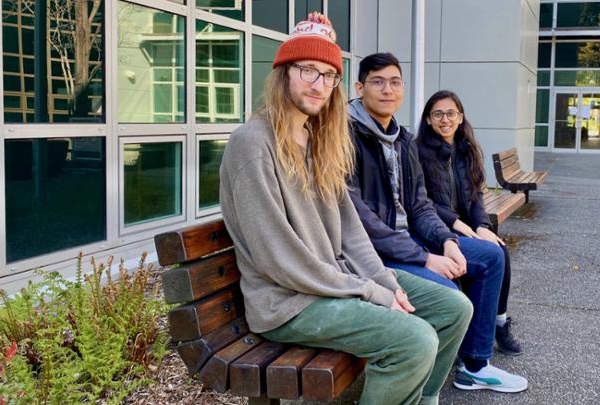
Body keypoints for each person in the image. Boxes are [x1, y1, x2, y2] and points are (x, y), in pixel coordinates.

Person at [219, 14, 472, 405]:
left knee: (454, 308)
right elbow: (279, 259)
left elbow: (352, 235)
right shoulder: (253, 143)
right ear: (284, 72)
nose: (319, 85)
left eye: (329, 75)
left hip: (332, 285)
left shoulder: (318, 140)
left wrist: (386, 285)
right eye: (308, 71)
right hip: (289, 302)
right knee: (414, 339)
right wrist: (368, 291)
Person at [347, 52, 528, 393]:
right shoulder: (346, 136)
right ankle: (419, 385)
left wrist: (446, 241)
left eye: (395, 82)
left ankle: (474, 364)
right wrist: (427, 257)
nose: (388, 89)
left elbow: (420, 205)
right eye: (378, 81)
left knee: (491, 256)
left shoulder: (401, 140)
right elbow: (359, 220)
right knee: (450, 297)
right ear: (359, 87)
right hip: (372, 254)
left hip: (412, 241)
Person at [416, 90, 522, 356]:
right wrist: (457, 224)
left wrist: (482, 227)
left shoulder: (467, 150)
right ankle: (473, 339)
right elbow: (420, 202)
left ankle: (499, 322)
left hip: (464, 226)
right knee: (489, 257)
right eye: (437, 114)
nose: (445, 119)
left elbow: (476, 197)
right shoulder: (417, 152)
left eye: (451, 113)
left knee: (499, 249)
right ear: (428, 119)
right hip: (435, 229)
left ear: (460, 117)